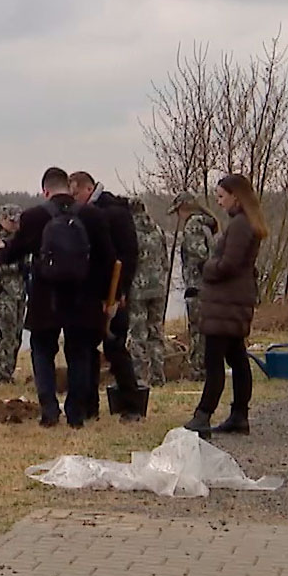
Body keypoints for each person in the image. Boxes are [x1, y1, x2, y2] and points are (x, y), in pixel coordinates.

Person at [0, 167, 117, 428]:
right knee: (80, 353)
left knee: (42, 351)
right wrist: (108, 296)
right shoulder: (92, 215)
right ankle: (75, 414)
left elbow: (14, 253)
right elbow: (107, 259)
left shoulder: (33, 217)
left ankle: (50, 411)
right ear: (69, 188)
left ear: (45, 190)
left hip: (45, 297)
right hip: (83, 297)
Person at [185, 173, 267, 435]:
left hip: (226, 301)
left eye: (221, 196)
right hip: (234, 300)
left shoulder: (240, 225)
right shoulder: (245, 223)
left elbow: (228, 264)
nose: (218, 202)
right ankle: (238, 415)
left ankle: (203, 415)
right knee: (237, 358)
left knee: (214, 360)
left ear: (236, 196)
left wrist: (207, 267)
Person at [69, 172, 143, 419]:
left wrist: (121, 291)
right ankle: (91, 407)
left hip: (114, 292)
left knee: (114, 347)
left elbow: (128, 255)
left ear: (89, 188)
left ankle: (132, 403)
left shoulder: (113, 212)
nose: (74, 198)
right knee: (90, 348)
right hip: (94, 294)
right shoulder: (88, 214)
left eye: (76, 193)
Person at [170, 194, 218, 380]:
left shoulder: (192, 227)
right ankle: (209, 367)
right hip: (207, 287)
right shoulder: (206, 225)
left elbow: (200, 256)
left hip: (197, 287)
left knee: (198, 331)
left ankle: (199, 371)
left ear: (184, 208)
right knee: (206, 330)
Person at [127, 197, 171, 387]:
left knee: (137, 333)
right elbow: (165, 261)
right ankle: (158, 375)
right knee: (156, 331)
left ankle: (137, 376)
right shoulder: (158, 230)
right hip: (158, 287)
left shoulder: (129, 232)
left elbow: (128, 262)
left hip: (137, 289)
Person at [0, 205, 26, 385]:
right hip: (4, 292)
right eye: (11, 220)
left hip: (20, 292)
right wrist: (17, 267)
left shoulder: (21, 240)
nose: (14, 224)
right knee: (7, 334)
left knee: (18, 334)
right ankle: (2, 374)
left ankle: (9, 371)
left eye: (17, 220)